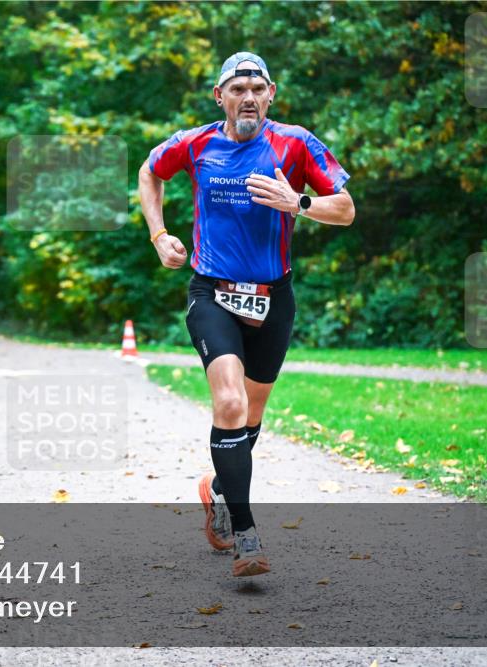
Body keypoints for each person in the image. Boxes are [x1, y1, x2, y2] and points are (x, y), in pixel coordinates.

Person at [138, 52, 355, 577]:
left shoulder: (296, 143)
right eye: (237, 88)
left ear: (272, 93)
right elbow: (149, 170)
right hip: (211, 292)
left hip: (272, 298)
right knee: (230, 402)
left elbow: (345, 209)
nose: (249, 97)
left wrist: (297, 203)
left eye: (258, 87)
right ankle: (247, 536)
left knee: (250, 418)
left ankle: (216, 486)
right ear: (220, 97)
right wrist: (159, 233)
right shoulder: (195, 143)